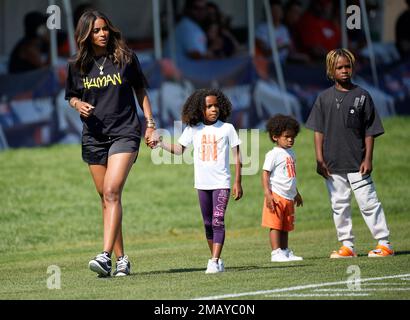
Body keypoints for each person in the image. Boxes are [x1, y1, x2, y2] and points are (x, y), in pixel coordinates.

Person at [65, 10, 156, 277]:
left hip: (125, 132)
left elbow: (141, 91)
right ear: (85, 35)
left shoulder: (125, 58)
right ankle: (121, 260)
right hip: (93, 137)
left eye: (104, 29)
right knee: (106, 199)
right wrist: (77, 104)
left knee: (112, 191)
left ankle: (103, 256)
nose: (102, 34)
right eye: (96, 31)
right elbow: (70, 95)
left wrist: (150, 124)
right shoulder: (76, 65)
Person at [305, 48, 394, 258]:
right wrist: (319, 159)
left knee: (369, 202)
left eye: (347, 66)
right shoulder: (324, 98)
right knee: (339, 205)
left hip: (357, 163)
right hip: (332, 164)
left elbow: (370, 131)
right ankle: (347, 246)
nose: (344, 70)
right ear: (331, 70)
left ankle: (384, 243)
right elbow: (318, 131)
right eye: (339, 67)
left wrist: (368, 158)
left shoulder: (362, 96)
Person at [152, 88, 243, 273]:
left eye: (216, 105)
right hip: (202, 183)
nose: (213, 109)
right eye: (209, 106)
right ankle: (216, 260)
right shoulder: (193, 129)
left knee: (218, 220)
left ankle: (214, 260)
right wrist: (160, 143)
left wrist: (237, 182)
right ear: (200, 109)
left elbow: (237, 157)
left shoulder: (228, 129)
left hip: (222, 183)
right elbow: (179, 149)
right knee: (208, 223)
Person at [261, 114, 303, 262]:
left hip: (289, 197)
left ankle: (285, 251)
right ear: (275, 137)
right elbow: (265, 174)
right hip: (277, 195)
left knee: (286, 226)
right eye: (286, 136)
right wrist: (268, 194)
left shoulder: (291, 153)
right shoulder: (273, 154)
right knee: (276, 225)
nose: (290, 139)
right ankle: (276, 252)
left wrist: (296, 193)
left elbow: (290, 176)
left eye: (293, 137)